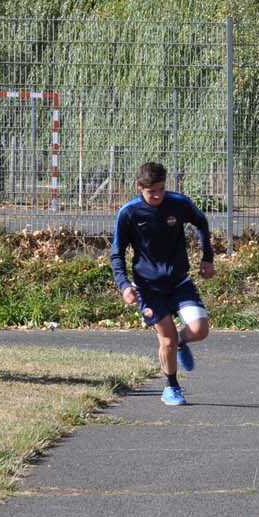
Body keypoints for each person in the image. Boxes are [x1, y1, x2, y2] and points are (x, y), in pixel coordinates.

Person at [110, 161, 215, 406]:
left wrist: (207, 258)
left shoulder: (179, 203)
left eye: (161, 189)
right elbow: (116, 253)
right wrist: (124, 285)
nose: (157, 195)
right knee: (165, 339)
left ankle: (181, 341)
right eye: (151, 191)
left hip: (179, 282)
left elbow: (201, 223)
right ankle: (172, 387)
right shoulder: (129, 213)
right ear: (139, 187)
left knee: (200, 330)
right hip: (148, 288)